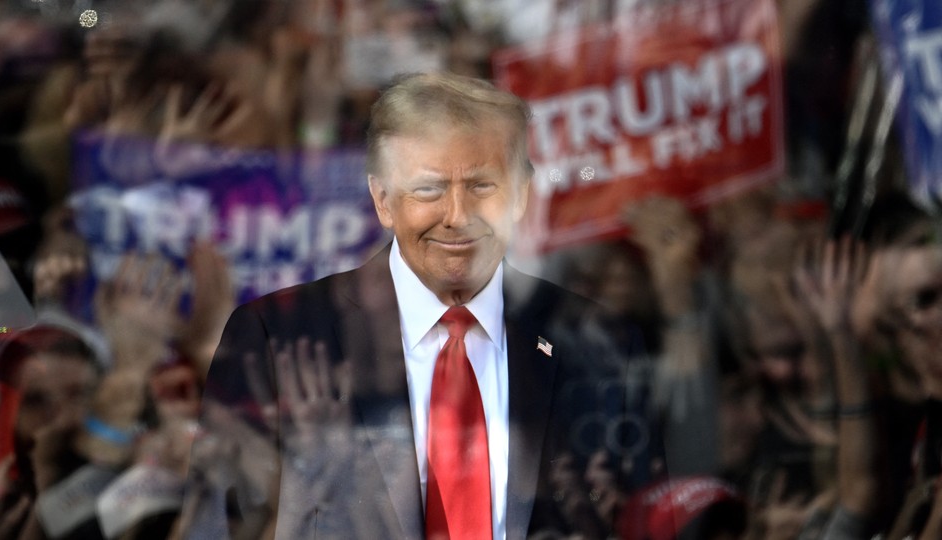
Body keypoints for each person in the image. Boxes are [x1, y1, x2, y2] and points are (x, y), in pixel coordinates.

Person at [183, 72, 660, 539]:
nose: (457, 217)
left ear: (521, 196)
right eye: (429, 188)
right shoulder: (274, 337)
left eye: (482, 186)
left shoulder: (596, 341)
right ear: (383, 200)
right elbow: (217, 527)